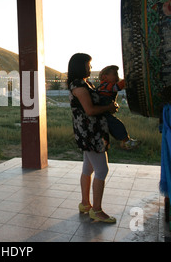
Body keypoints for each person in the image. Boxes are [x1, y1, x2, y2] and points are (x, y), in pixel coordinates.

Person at [67, 53, 118, 223]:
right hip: (91, 133)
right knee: (102, 170)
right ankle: (96, 210)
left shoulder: (84, 83)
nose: (90, 67)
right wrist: (109, 108)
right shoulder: (79, 86)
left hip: (89, 132)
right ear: (80, 66)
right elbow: (89, 110)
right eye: (88, 65)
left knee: (88, 169)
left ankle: (85, 204)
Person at [97, 65, 140, 150]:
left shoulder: (106, 86)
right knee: (116, 125)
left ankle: (125, 141)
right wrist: (127, 79)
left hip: (105, 112)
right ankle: (126, 141)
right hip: (104, 112)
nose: (117, 77)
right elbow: (117, 87)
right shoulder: (105, 86)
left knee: (115, 126)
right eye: (115, 74)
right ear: (104, 77)